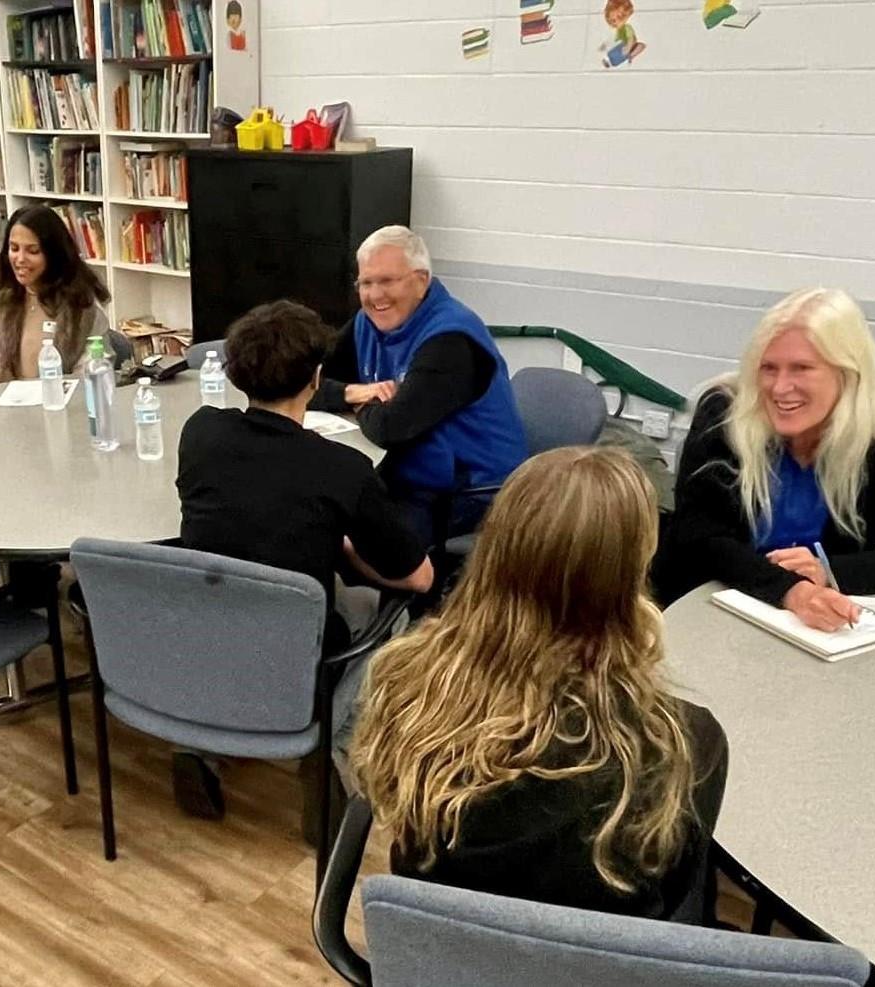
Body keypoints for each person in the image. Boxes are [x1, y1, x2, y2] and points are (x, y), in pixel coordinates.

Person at [351, 446, 728, 921]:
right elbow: (678, 904)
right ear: (629, 576)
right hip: (599, 958)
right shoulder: (685, 743)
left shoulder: (405, 681)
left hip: (438, 947)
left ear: (495, 547)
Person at [175, 299, 434, 818]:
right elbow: (418, 577)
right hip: (298, 643)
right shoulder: (341, 468)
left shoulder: (199, 432)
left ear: (236, 373)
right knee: (400, 615)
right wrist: (341, 547)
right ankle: (326, 746)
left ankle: (199, 747)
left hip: (207, 629)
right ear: (316, 379)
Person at [656, 288, 875, 630]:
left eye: (801, 368)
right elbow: (698, 538)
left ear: (847, 373)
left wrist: (829, 570)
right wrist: (791, 590)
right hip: (712, 598)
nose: (780, 388)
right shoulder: (725, 412)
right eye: (769, 368)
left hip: (818, 621)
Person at [311, 225, 528, 544]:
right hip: (407, 475)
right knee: (315, 512)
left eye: (387, 281)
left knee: (346, 537)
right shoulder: (368, 322)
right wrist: (350, 392)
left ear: (421, 280)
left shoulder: (451, 340)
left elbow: (392, 428)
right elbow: (301, 382)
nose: (375, 295)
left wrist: (363, 403)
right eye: (366, 283)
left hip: (471, 494)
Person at [0, 204, 110, 387]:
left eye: (33, 251)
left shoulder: (83, 307)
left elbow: (92, 376)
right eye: (14, 248)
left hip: (65, 401)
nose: (20, 259)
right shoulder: (2, 304)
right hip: (9, 402)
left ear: (54, 254)